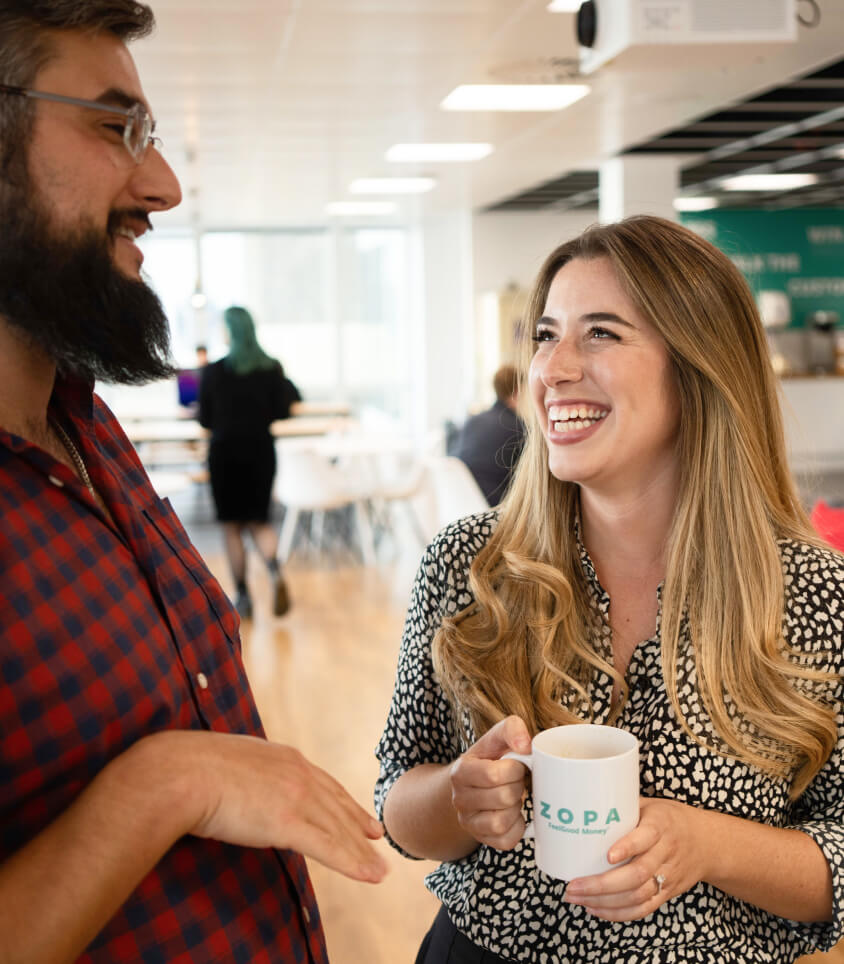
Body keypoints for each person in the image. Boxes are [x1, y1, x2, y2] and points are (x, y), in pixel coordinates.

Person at [0, 4, 386, 962]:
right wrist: (165, 785)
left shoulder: (89, 429)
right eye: (113, 125)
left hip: (227, 460)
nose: (162, 185)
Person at [375, 215, 844, 963]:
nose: (552, 368)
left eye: (600, 334)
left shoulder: (813, 592)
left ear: (698, 367)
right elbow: (398, 803)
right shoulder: (468, 564)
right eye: (545, 334)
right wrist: (459, 798)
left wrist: (708, 846)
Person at [198, 305, 301, 620]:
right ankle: (274, 569)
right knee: (259, 521)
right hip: (260, 452)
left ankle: (243, 596)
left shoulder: (214, 372)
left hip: (225, 453)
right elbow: (285, 407)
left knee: (232, 527)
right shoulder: (272, 369)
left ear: (230, 331)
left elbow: (205, 419)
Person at [453, 363, 525, 506]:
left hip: (462, 503)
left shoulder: (472, 421)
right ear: (517, 391)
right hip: (496, 506)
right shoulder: (518, 428)